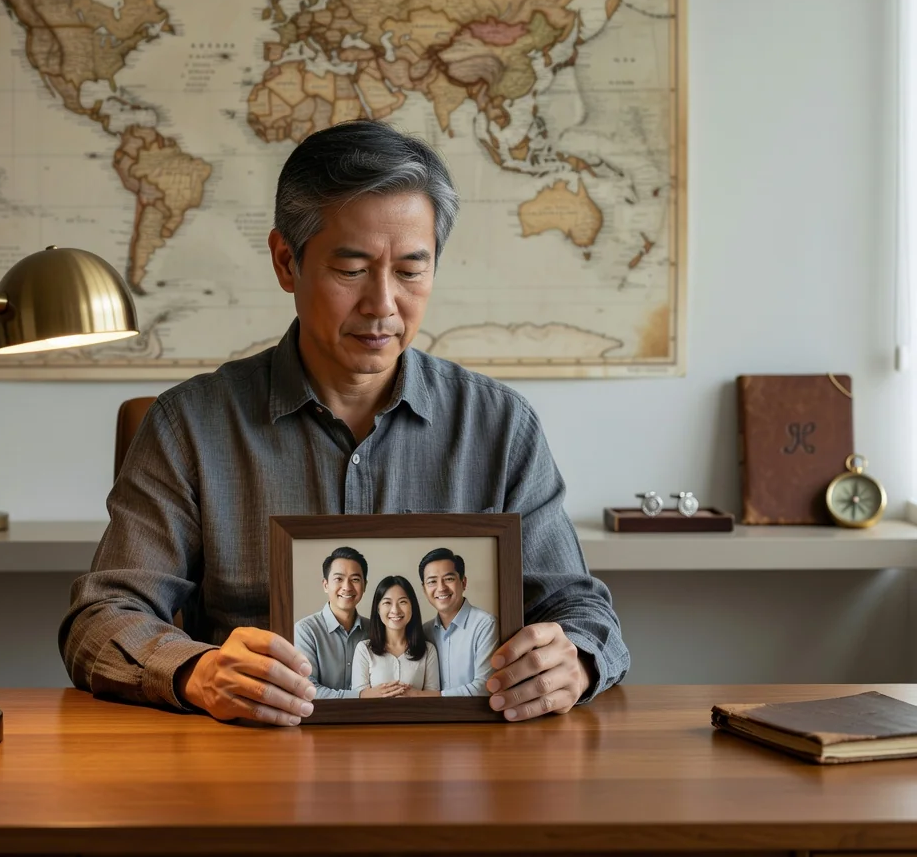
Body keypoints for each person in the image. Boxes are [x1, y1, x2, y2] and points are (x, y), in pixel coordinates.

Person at [59, 119, 629, 727]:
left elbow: (582, 610)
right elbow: (103, 616)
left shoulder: (497, 425)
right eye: (351, 269)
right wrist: (195, 672)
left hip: (456, 772)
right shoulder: (190, 425)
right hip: (255, 765)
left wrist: (576, 662)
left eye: (412, 270)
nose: (382, 304)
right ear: (286, 262)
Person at [293, 546, 372, 699]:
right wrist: (360, 696)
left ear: (364, 586)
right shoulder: (306, 631)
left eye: (355, 579)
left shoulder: (374, 629)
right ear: (325, 585)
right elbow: (307, 690)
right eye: (339, 579)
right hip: (321, 720)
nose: (347, 587)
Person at [418, 548, 497, 697]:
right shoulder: (424, 632)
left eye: (449, 579)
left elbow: (484, 687)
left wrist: (423, 697)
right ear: (424, 589)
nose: (441, 588)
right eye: (432, 581)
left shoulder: (486, 625)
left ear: (463, 582)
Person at [351, 576, 439, 695]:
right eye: (387, 602)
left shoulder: (428, 650)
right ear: (378, 608)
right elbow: (357, 697)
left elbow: (434, 696)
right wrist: (379, 694)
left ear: (412, 606)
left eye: (402, 602)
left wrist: (415, 694)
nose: (395, 610)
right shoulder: (364, 649)